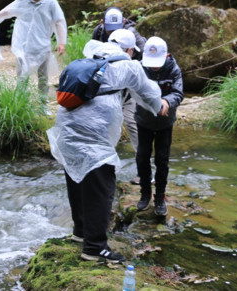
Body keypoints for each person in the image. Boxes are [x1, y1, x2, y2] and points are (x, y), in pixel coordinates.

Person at [47, 40, 162, 264]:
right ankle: (94, 247)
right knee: (102, 187)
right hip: (92, 134)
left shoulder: (90, 62)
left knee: (77, 177)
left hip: (66, 129)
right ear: (129, 50)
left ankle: (81, 232)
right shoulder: (129, 66)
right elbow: (149, 96)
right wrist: (162, 107)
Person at [0, 0, 66, 94]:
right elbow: (10, 10)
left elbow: (59, 21)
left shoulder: (50, 3)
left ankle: (42, 103)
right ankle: (20, 101)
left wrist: (61, 42)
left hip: (42, 46)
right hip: (24, 46)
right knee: (22, 76)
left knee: (43, 77)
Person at [136, 36, 184, 217]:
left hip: (165, 123)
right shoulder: (140, 67)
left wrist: (167, 102)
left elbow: (178, 93)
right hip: (143, 121)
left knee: (162, 160)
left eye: (157, 62)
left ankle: (159, 197)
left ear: (166, 55)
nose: (154, 66)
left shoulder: (173, 69)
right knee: (142, 157)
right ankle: (145, 192)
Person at [108, 28, 143, 155]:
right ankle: (144, 168)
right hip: (110, 102)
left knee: (131, 122)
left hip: (122, 97)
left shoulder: (96, 56)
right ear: (129, 50)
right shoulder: (129, 66)